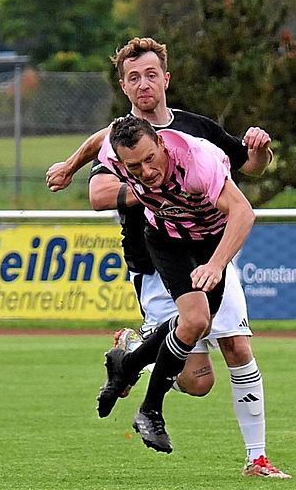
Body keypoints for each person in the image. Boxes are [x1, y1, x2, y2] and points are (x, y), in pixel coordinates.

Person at [46, 38, 288, 478]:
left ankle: (257, 458)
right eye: (133, 77)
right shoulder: (125, 143)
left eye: (150, 75)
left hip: (211, 249)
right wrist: (139, 184)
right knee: (198, 382)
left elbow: (248, 171)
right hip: (155, 260)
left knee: (237, 345)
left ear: (166, 79)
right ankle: (137, 348)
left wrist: (260, 151)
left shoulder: (197, 134)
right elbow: (100, 183)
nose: (143, 84)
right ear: (124, 86)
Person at [97, 115, 254, 457]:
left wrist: (215, 265)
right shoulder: (115, 154)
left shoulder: (198, 163)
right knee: (196, 321)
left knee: (197, 323)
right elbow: (99, 140)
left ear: (162, 144)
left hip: (210, 241)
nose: (146, 172)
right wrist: (68, 166)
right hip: (166, 237)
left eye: (150, 159)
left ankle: (127, 364)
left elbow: (244, 213)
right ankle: (150, 410)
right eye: (134, 166)